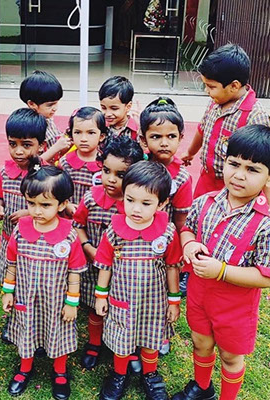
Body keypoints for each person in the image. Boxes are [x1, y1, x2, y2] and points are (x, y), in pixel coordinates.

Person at [172, 125, 270, 400]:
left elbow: (265, 276)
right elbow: (187, 228)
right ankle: (202, 388)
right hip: (199, 295)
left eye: (252, 169)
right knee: (200, 343)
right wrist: (189, 243)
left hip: (236, 308)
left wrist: (222, 271)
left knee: (230, 356)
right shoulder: (205, 202)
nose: (239, 175)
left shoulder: (265, 223)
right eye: (234, 164)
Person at [94, 161, 182, 400]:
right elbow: (105, 265)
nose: (135, 209)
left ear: (161, 203)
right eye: (130, 200)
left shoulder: (167, 232)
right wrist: (101, 295)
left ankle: (150, 374)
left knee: (151, 339)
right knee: (122, 339)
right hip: (122, 299)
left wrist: (174, 301)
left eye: (146, 203)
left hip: (154, 301)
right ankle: (119, 374)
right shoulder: (114, 230)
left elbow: (172, 266)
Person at [2, 162, 87, 400]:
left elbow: (75, 272)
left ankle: (59, 371)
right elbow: (12, 263)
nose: (37, 211)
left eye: (45, 205)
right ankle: (25, 368)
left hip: (56, 301)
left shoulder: (69, 235)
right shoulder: (20, 230)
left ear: (62, 204)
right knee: (26, 330)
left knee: (58, 332)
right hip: (26, 298)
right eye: (31, 203)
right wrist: (8, 291)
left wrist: (71, 303)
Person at [73, 135, 144, 371]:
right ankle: (94, 343)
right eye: (106, 171)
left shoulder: (137, 207)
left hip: (125, 272)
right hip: (94, 267)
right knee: (95, 307)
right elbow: (78, 225)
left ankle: (128, 347)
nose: (111, 179)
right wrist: (87, 247)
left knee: (125, 309)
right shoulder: (90, 199)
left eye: (120, 174)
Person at [180, 44, 270, 198]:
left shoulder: (255, 116)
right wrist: (190, 152)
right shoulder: (214, 103)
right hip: (206, 179)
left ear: (234, 86)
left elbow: (262, 162)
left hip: (235, 187)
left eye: (211, 86)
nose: (206, 91)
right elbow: (202, 129)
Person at [0, 108, 47, 282]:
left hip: (37, 239)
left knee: (31, 278)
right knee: (8, 276)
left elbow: (55, 208)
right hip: (9, 235)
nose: (18, 151)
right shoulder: (5, 172)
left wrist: (29, 213)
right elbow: (1, 197)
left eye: (26, 145)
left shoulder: (47, 176)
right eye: (12, 144)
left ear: (41, 146)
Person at [140, 97, 193, 301]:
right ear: (143, 139)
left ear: (180, 137)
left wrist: (179, 253)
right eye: (156, 136)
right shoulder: (136, 165)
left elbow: (181, 220)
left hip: (163, 237)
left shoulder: (181, 177)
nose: (164, 143)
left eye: (171, 136)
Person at [59, 107, 106, 214]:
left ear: (101, 136)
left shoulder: (106, 163)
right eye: (78, 132)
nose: (83, 138)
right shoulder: (65, 162)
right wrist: (67, 205)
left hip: (95, 214)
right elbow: (58, 190)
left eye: (91, 133)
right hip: (69, 214)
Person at [20, 70, 72, 162]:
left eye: (56, 103)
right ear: (32, 104)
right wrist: (56, 147)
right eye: (50, 105)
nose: (55, 108)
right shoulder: (29, 128)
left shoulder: (48, 119)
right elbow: (32, 165)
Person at [99, 76, 138, 141]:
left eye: (114, 108)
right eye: (103, 108)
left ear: (128, 107)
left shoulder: (137, 129)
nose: (107, 114)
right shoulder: (99, 127)